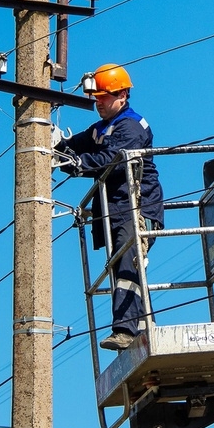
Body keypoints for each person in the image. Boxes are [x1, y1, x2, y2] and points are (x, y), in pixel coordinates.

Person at [56, 63, 164, 351]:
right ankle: (142, 326)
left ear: (123, 95)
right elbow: (77, 145)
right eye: (97, 96)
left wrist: (78, 164)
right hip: (115, 209)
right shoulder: (102, 128)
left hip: (136, 207)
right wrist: (58, 146)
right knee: (122, 266)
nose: (98, 102)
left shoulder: (130, 125)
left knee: (127, 263)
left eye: (104, 96)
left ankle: (127, 330)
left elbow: (114, 159)